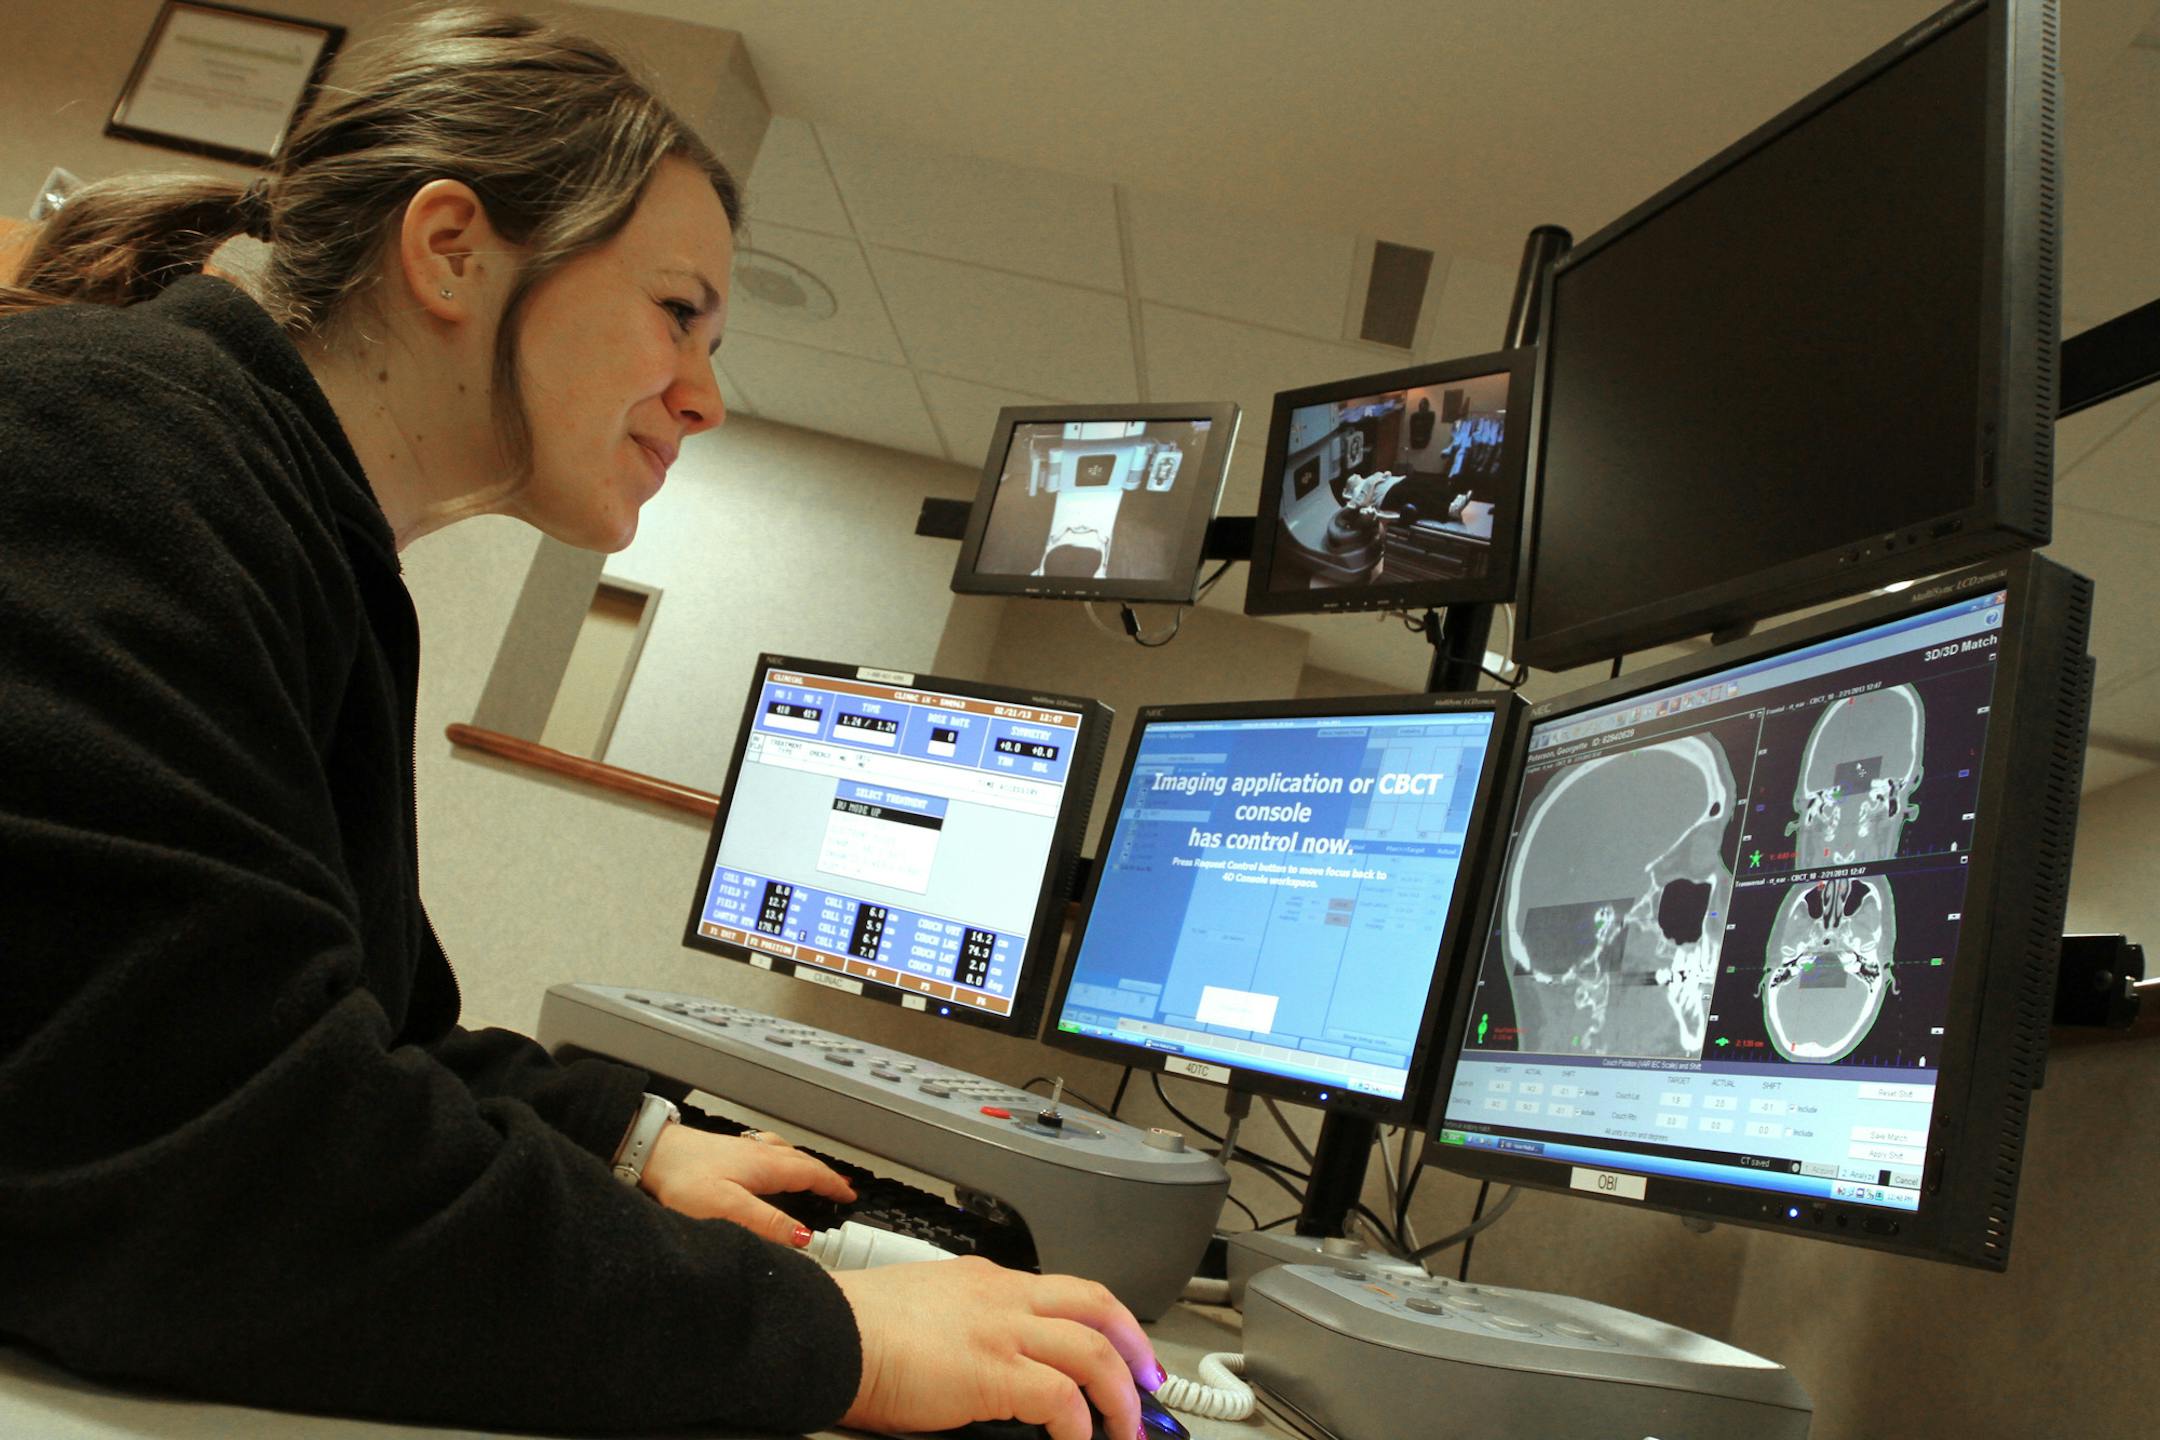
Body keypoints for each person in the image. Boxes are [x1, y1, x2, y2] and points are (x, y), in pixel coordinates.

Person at [0, 9, 1160, 1440]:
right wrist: (837, 1340)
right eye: (680, 313)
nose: (709, 395)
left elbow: (374, 1028)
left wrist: (635, 1139)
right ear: (449, 252)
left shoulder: (279, 521)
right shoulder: (109, 453)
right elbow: (220, 1159)